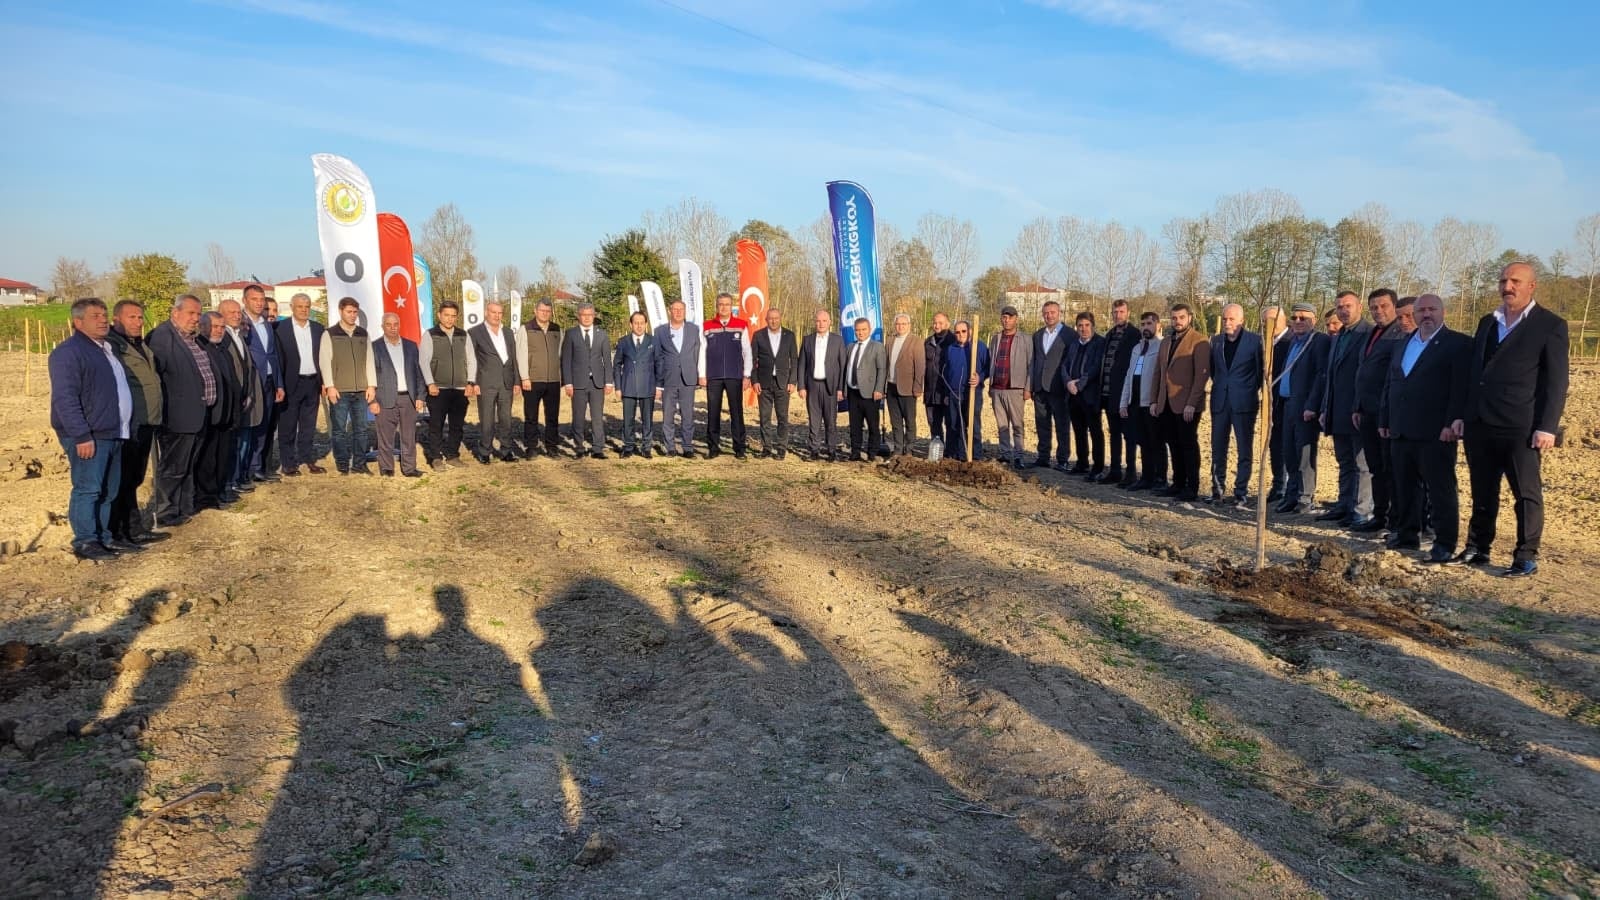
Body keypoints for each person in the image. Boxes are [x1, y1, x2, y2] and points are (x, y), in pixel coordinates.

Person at [1458, 262, 1570, 578]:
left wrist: (1547, 427)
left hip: (1520, 426)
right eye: (1503, 280)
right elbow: (1475, 374)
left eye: (1515, 281)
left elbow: (1557, 381)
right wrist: (1463, 415)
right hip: (1480, 423)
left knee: (1526, 494)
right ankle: (1478, 547)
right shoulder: (1487, 322)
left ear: (1532, 286)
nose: (1507, 286)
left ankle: (1525, 555)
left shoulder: (1550, 325)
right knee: (1482, 491)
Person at [1379, 293, 1471, 563]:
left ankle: (1444, 542)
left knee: (1440, 489)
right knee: (1405, 486)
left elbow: (1460, 387)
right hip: (1401, 428)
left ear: (1443, 312)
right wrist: (1385, 418)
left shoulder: (1458, 344)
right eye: (1421, 311)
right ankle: (1407, 534)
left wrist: (1451, 422)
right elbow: (1391, 383)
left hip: (1436, 431)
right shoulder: (1403, 344)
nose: (1426, 314)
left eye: (1432, 309)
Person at [49, 298, 136, 560]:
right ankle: (86, 541)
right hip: (90, 435)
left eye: (104, 315)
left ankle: (104, 537)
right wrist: (81, 435)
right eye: (95, 316)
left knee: (109, 490)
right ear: (78, 322)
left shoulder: (106, 349)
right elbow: (65, 398)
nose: (103, 320)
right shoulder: (68, 353)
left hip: (113, 432)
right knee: (88, 489)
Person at [149, 294, 217, 523]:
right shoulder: (162, 338)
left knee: (188, 465)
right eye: (191, 313)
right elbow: (158, 377)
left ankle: (185, 507)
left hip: (197, 414)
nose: (195, 318)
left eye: (198, 314)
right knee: (173, 467)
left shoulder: (190, 338)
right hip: (177, 417)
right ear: (175, 312)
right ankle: (167, 512)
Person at [105, 300, 168, 545]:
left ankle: (133, 528)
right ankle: (119, 531)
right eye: (131, 317)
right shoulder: (112, 346)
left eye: (140, 317)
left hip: (147, 419)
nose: (138, 322)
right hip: (130, 422)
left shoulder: (139, 344)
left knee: (135, 477)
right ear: (116, 319)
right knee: (123, 479)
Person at [1349, 289, 1407, 534]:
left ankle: (1394, 519)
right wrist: (1357, 406)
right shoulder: (1373, 333)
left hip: (1387, 414)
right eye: (1374, 307)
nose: (1378, 311)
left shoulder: (1399, 335)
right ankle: (1380, 515)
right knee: (1375, 468)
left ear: (1394, 306)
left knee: (1389, 469)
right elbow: (1362, 372)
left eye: (1383, 306)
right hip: (1367, 412)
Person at [1318, 291, 1374, 526]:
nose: (1343, 310)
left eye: (1348, 306)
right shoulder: (1338, 336)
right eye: (1339, 306)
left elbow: (1366, 376)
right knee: (1345, 461)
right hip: (1336, 410)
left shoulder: (1368, 334)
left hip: (1356, 410)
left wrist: (1360, 407)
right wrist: (1325, 408)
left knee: (1362, 464)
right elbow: (1330, 376)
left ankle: (1361, 511)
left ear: (1359, 307)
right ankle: (1344, 505)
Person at [1274, 302, 1332, 514]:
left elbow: (1321, 375)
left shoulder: (1318, 341)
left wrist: (1312, 405)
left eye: (1303, 318)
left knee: (1304, 454)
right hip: (1288, 404)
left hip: (1305, 407)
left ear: (1313, 320)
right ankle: (1291, 494)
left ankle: (1305, 496)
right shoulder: (1293, 342)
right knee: (1289, 452)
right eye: (1295, 318)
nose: (1298, 321)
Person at [1150, 304, 1210, 502]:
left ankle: (1191, 487)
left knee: (1188, 444)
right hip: (1166, 402)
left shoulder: (1199, 341)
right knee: (1173, 444)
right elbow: (1158, 372)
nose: (1177, 321)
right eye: (1174, 318)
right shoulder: (1166, 342)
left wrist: (1192, 403)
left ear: (1189, 318)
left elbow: (1201, 376)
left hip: (1187, 404)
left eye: (1181, 317)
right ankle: (1177, 483)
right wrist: (1154, 400)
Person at [1207, 303, 1263, 506]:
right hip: (1220, 401)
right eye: (1224, 319)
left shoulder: (1255, 341)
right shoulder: (1215, 341)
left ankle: (1241, 492)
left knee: (1244, 449)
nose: (1227, 323)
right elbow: (1213, 370)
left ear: (1242, 320)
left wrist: (1247, 390)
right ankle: (1217, 491)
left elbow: (1259, 372)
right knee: (1217, 448)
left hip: (1244, 402)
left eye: (1231, 319)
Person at [318, 298, 376, 474]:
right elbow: (324, 361)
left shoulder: (363, 334)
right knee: (339, 430)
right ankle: (342, 462)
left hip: (361, 391)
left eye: (355, 312)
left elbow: (369, 360)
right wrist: (330, 386)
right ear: (340, 311)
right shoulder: (330, 334)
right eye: (349, 312)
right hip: (339, 391)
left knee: (362, 429)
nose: (352, 315)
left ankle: (359, 463)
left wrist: (371, 385)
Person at [273, 292, 326, 477]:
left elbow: (323, 358)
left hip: (312, 383)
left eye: (307, 307)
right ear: (292, 307)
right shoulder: (280, 328)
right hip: (290, 383)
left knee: (308, 424)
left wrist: (323, 382)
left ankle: (307, 458)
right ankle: (288, 463)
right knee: (287, 425)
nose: (304, 310)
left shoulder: (318, 329)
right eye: (300, 307)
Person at [195, 311, 244, 507]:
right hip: (211, 415)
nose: (219, 331)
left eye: (222, 327)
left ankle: (220, 490)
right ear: (203, 327)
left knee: (222, 456)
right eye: (214, 326)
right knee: (208, 459)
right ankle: (206, 497)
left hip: (226, 413)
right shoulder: (200, 348)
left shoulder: (223, 348)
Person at [369, 312, 426, 477]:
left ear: (399, 326)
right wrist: (372, 400)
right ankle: (387, 468)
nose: (392, 328)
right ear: (382, 326)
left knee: (409, 435)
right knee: (385, 436)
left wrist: (420, 396)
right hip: (384, 398)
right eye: (388, 324)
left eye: (395, 324)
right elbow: (369, 376)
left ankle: (409, 468)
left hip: (408, 398)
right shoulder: (374, 347)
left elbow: (418, 373)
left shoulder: (411, 346)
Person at [420, 300, 476, 467]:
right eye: (446, 315)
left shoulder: (463, 335)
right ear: (439, 315)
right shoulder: (430, 335)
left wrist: (470, 382)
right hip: (438, 388)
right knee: (436, 425)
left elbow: (472, 359)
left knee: (457, 425)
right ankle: (435, 457)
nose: (450, 319)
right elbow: (423, 361)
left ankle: (452, 455)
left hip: (460, 388)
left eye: (453, 316)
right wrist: (430, 383)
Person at [699, 292, 752, 459]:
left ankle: (740, 448)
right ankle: (713, 448)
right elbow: (702, 351)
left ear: (731, 306)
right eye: (721, 304)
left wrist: (747, 375)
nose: (724, 307)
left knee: (736, 412)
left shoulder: (741, 325)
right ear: (717, 306)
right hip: (713, 376)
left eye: (727, 304)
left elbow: (747, 351)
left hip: (734, 376)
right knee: (713, 412)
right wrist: (702, 374)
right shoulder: (706, 326)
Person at [218, 299, 262, 496]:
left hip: (245, 397)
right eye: (232, 312)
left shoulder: (239, 335)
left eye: (238, 312)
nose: (237, 316)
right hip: (232, 399)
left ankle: (238, 477)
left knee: (244, 439)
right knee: (233, 443)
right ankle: (230, 481)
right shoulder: (222, 336)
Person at [1119, 311, 1166, 491]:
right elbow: (1129, 376)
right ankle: (1146, 477)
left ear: (1158, 325)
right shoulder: (1137, 349)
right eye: (1143, 324)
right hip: (1135, 402)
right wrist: (1124, 402)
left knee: (1157, 441)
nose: (1146, 327)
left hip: (1151, 403)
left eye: (1149, 323)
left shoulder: (1162, 347)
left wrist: (1157, 401)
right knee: (1143, 441)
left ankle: (1160, 478)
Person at [469, 300, 521, 463]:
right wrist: (473, 382)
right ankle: (485, 451)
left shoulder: (508, 332)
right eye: (493, 312)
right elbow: (471, 359)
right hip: (486, 382)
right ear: (486, 313)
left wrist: (517, 381)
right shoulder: (475, 332)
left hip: (506, 382)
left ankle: (506, 451)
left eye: (500, 313)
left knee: (506, 419)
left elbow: (513, 358)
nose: (497, 316)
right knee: (487, 419)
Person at [239, 284, 280, 484]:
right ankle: (243, 470)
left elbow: (272, 355)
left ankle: (258, 467)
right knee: (251, 426)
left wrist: (279, 384)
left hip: (269, 381)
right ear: (245, 300)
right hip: (252, 382)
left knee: (265, 425)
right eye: (254, 299)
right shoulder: (241, 323)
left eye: (261, 299)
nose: (259, 303)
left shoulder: (266, 324)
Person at [561, 302, 612, 459]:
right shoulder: (571, 334)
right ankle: (579, 447)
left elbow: (607, 360)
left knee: (597, 417)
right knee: (578, 417)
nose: (587, 318)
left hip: (597, 383)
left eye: (590, 315)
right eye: (584, 315)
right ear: (579, 316)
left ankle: (598, 448)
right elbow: (566, 360)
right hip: (577, 383)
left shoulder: (602, 334)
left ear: (594, 316)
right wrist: (568, 383)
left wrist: (608, 382)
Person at [654, 299, 702, 457]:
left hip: (688, 379)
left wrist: (697, 373)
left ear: (685, 311)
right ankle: (670, 447)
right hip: (668, 379)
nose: (678, 312)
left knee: (688, 415)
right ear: (670, 311)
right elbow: (658, 357)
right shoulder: (660, 331)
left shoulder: (694, 329)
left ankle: (687, 447)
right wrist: (658, 383)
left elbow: (697, 352)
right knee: (668, 415)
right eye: (675, 309)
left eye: (681, 309)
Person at [1097, 300, 1137, 484]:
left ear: (1128, 313)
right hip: (1108, 393)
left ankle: (1131, 473)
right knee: (1114, 433)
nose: (1118, 315)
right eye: (1115, 312)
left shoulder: (1134, 335)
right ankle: (1115, 470)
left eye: (1121, 312)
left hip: (1125, 395)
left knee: (1128, 435)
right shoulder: (1109, 335)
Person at [517, 299, 563, 457]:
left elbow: (560, 354)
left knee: (552, 416)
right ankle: (531, 447)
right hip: (532, 380)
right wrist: (524, 377)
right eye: (542, 310)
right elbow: (521, 354)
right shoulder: (526, 329)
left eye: (548, 311)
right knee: (531, 416)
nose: (545, 314)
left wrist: (560, 375)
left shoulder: (557, 329)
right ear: (535, 311)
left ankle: (552, 447)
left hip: (553, 380)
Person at [797, 310, 846, 461]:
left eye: (824, 321)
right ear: (815, 322)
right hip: (812, 386)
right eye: (818, 321)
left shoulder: (837, 340)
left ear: (830, 322)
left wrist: (840, 388)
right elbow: (802, 364)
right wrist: (801, 386)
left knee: (830, 420)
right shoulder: (807, 340)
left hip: (830, 387)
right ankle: (814, 449)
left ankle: (831, 450)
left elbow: (843, 366)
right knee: (814, 420)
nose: (821, 324)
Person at [1061, 311, 1106, 477]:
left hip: (1090, 395)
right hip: (1073, 396)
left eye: (1087, 325)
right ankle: (1082, 463)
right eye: (1080, 325)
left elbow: (1095, 367)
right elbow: (1064, 365)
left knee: (1095, 432)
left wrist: (1079, 384)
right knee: (1079, 431)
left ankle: (1098, 467)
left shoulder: (1099, 343)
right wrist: (1068, 382)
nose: (1083, 328)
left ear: (1092, 326)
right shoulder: (1074, 344)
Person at [987, 306, 1032, 468]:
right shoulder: (996, 338)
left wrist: (1028, 387)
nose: (1007, 320)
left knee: (1017, 425)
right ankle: (1005, 454)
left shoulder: (1025, 339)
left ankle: (1019, 456)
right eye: (1004, 317)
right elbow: (991, 361)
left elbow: (1031, 365)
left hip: (1016, 389)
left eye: (1010, 317)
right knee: (1002, 425)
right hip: (998, 388)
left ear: (1016, 319)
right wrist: (991, 386)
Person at [1028, 301, 1072, 469]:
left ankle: (1062, 459)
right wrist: (1031, 386)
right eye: (1046, 313)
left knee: (1062, 425)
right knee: (1042, 424)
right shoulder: (1038, 335)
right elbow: (1034, 361)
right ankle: (1043, 457)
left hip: (1059, 388)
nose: (1049, 316)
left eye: (1052, 312)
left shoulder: (1069, 335)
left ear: (1059, 313)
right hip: (1040, 388)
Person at [751, 307, 798, 458]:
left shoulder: (789, 335)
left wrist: (793, 381)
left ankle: (781, 448)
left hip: (783, 383)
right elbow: (752, 360)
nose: (773, 321)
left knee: (782, 418)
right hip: (763, 383)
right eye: (770, 318)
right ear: (766, 320)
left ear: (780, 318)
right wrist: (754, 380)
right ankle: (766, 447)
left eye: (776, 318)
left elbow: (794, 360)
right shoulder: (758, 335)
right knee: (764, 418)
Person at [942, 320, 991, 462]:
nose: (960, 334)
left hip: (972, 392)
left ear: (970, 331)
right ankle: (959, 454)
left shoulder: (979, 347)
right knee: (955, 424)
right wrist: (947, 392)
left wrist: (980, 377)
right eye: (957, 332)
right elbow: (947, 371)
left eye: (963, 331)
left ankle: (976, 455)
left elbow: (988, 368)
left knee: (973, 424)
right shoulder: (951, 349)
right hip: (954, 393)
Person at [843, 317, 888, 462]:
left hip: (870, 393)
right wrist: (844, 389)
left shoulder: (877, 347)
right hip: (853, 392)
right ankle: (855, 452)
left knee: (873, 425)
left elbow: (882, 369)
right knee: (855, 425)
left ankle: (872, 453)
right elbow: (846, 369)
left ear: (869, 330)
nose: (860, 333)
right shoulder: (851, 347)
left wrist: (879, 389)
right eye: (857, 330)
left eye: (863, 329)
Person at [613, 311, 657, 457]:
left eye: (642, 323)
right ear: (631, 324)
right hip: (628, 386)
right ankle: (628, 447)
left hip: (648, 385)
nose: (639, 326)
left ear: (646, 324)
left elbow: (659, 364)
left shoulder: (653, 341)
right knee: (628, 420)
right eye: (636, 323)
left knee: (647, 420)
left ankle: (646, 447)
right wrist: (618, 387)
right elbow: (617, 365)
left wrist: (659, 386)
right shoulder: (623, 342)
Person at [883, 313, 925, 457]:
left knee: (909, 421)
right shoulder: (890, 341)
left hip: (908, 388)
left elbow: (920, 366)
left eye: (903, 324)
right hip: (891, 386)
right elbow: (886, 364)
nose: (900, 327)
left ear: (909, 325)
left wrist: (918, 386)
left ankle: (909, 449)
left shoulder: (916, 341)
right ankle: (898, 448)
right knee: (895, 421)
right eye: (898, 324)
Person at [922, 313, 955, 451]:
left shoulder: (954, 341)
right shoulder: (928, 342)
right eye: (935, 323)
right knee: (933, 422)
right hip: (931, 391)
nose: (937, 325)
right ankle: (938, 450)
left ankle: (951, 451)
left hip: (947, 391)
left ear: (947, 324)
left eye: (940, 323)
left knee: (950, 423)